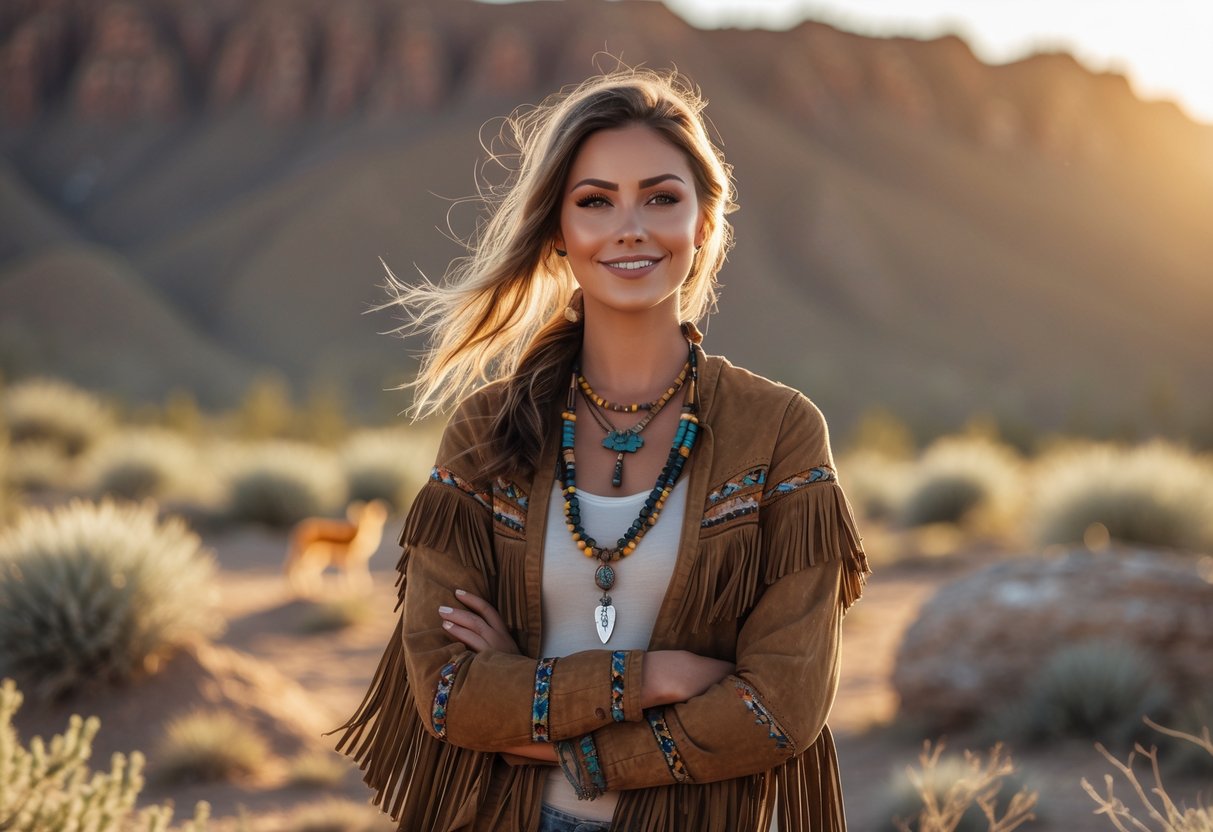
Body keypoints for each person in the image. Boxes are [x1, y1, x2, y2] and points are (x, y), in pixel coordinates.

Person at [331, 67, 870, 832]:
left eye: (660, 197)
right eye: (594, 201)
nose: (630, 227)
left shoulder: (777, 430)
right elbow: (447, 693)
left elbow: (781, 707)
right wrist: (657, 677)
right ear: (558, 231)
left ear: (704, 222)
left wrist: (562, 737)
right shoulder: (486, 432)